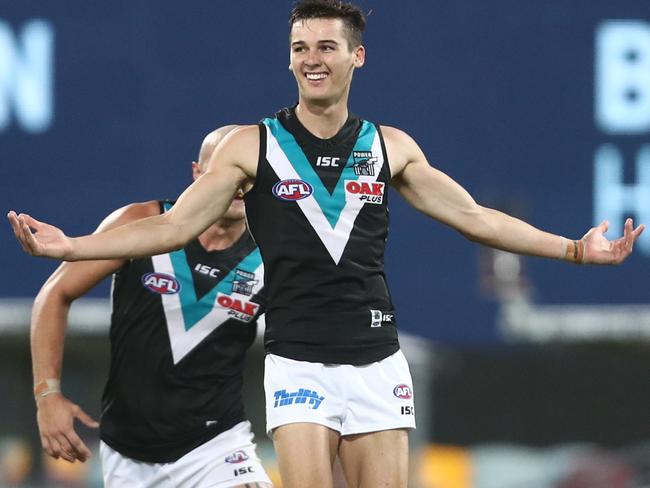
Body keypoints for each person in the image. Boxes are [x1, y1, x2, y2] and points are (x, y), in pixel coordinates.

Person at [8, 1, 645, 487]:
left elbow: (476, 217)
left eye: (326, 46)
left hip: (377, 362)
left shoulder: (389, 146)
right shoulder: (250, 146)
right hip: (298, 364)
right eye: (299, 47)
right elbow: (173, 228)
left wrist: (573, 250)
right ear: (289, 59)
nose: (311, 57)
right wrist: (72, 247)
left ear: (356, 57)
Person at [28, 126, 273, 488]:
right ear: (197, 174)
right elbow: (55, 293)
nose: (236, 184)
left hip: (216, 445)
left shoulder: (273, 253)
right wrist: (47, 395)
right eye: (225, 170)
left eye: (246, 174)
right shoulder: (139, 224)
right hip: (127, 452)